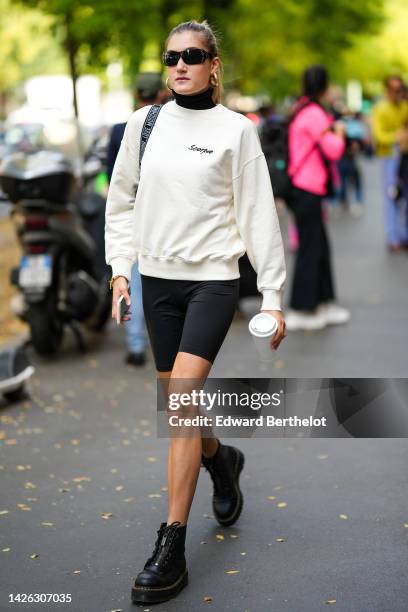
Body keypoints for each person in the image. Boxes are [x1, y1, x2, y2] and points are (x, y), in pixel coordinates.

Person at [105, 19, 286, 604]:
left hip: (212, 279)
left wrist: (275, 298)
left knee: (181, 395)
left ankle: (172, 545)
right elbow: (121, 199)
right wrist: (118, 269)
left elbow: (259, 215)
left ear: (214, 65)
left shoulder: (236, 130)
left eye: (192, 55)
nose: (179, 65)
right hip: (157, 280)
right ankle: (222, 459)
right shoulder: (145, 123)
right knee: (178, 402)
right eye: (171, 57)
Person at [106, 73, 166, 365]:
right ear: (160, 95)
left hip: (128, 215)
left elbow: (111, 179)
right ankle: (157, 341)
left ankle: (134, 344)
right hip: (156, 216)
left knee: (128, 280)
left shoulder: (119, 129)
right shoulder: (166, 126)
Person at [285, 65, 349, 331]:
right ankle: (301, 309)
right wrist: (340, 134)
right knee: (311, 250)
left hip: (304, 188)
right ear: (324, 87)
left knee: (319, 247)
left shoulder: (302, 109)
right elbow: (333, 151)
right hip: (307, 189)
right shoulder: (314, 114)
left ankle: (323, 302)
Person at [372, 75, 408, 252]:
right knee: (392, 196)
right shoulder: (380, 108)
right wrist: (396, 136)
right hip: (389, 158)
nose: (398, 93)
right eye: (395, 89)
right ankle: (394, 237)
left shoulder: (404, 106)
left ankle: (404, 235)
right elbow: (378, 136)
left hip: (405, 156)